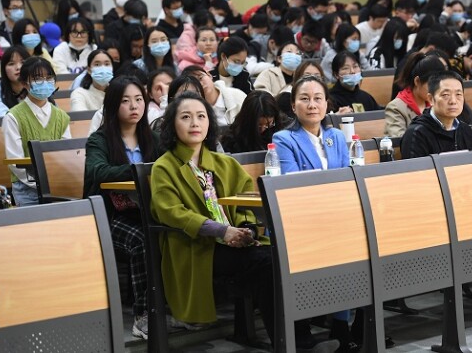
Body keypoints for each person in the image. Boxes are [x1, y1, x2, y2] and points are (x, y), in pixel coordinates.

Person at [149, 93, 286, 345]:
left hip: (234, 242)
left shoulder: (225, 163)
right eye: (186, 117)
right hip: (196, 247)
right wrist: (223, 231)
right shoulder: (164, 167)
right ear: (172, 125)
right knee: (268, 264)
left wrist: (247, 230)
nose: (195, 123)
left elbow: (245, 203)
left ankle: (294, 339)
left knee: (281, 259)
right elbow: (171, 212)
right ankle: (289, 342)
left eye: (201, 116)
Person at [272, 75, 354, 351]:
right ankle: (315, 325)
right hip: (301, 219)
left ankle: (343, 326)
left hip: (336, 216)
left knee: (355, 244)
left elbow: (347, 177)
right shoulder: (284, 138)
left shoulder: (336, 137)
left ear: (327, 104)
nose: (312, 105)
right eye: (304, 99)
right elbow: (294, 183)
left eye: (318, 98)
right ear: (293, 105)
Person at [84, 75, 162, 339]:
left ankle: (173, 309)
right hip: (109, 214)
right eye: (126, 101)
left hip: (147, 210)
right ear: (113, 105)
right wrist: (140, 171)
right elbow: (98, 172)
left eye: (139, 99)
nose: (134, 106)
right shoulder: (99, 140)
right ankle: (143, 316)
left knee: (174, 233)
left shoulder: (153, 138)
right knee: (142, 240)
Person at [3, 57, 71, 206]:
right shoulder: (13, 117)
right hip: (27, 189)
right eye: (38, 78)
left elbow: (66, 156)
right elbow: (15, 162)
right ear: (24, 83)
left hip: (58, 186)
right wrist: (42, 184)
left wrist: (56, 182)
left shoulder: (62, 117)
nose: (45, 82)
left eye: (49, 77)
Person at [400, 71, 472, 159]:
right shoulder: (417, 134)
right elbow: (415, 167)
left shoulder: (466, 131)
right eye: (446, 95)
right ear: (431, 99)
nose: (453, 101)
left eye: (458, 94)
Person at [385, 53, 445, 137]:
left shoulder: (436, 104)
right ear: (417, 81)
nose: (435, 90)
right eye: (431, 85)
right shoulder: (396, 108)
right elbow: (400, 140)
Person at [0, 46, 29, 117]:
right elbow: (3, 116)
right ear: (4, 69)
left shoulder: (37, 86)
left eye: (23, 62)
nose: (18, 67)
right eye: (11, 64)